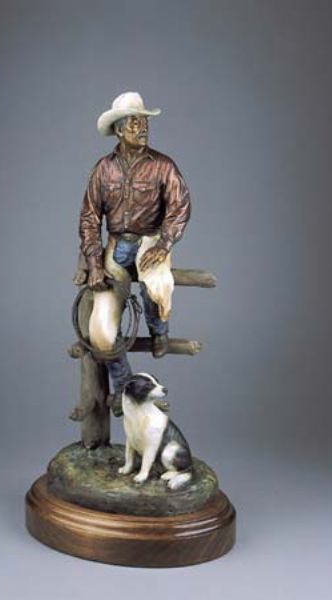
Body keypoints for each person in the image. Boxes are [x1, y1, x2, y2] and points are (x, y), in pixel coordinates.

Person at [76, 92, 191, 411]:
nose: (143, 128)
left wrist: (165, 243)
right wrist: (93, 262)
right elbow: (89, 217)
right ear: (118, 129)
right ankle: (126, 387)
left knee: (157, 286)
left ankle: (159, 330)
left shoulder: (163, 166)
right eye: (134, 123)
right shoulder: (103, 169)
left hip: (152, 242)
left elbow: (180, 206)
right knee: (101, 334)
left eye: (144, 122)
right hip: (117, 246)